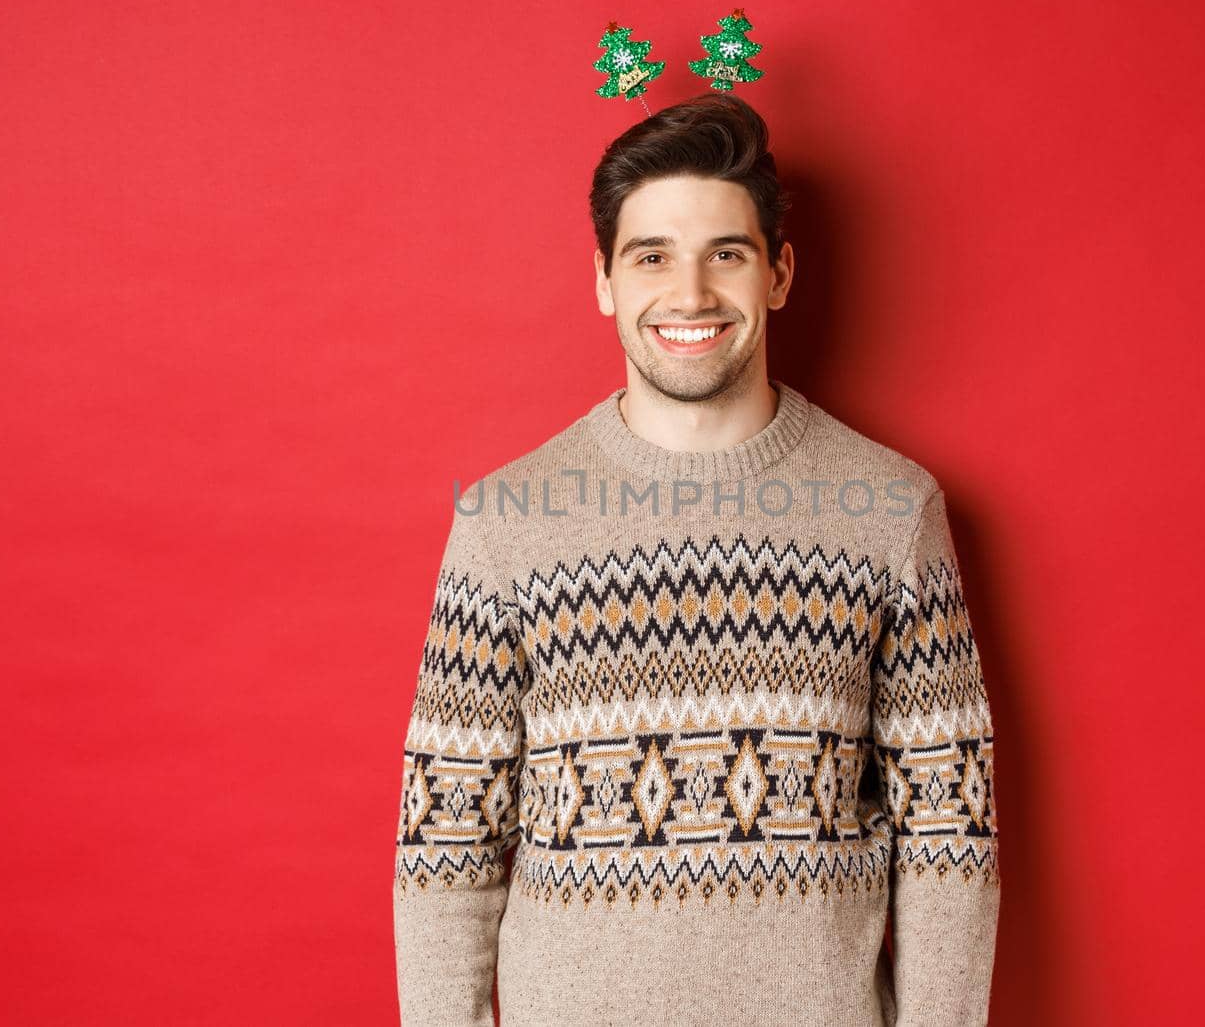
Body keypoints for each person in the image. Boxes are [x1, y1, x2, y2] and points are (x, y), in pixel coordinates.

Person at [393, 92, 1000, 1026]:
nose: (689, 294)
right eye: (651, 257)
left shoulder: (893, 510)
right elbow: (445, 846)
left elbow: (951, 837)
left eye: (727, 253)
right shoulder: (504, 523)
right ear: (603, 279)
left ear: (779, 273)